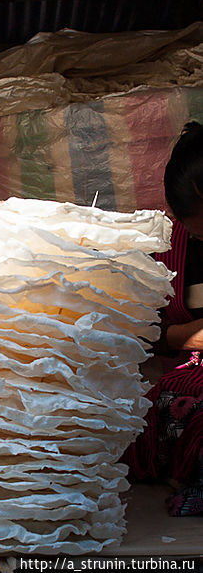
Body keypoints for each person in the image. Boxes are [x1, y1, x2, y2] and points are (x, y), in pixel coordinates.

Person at [123, 121, 203, 516]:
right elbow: (136, 331)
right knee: (155, 414)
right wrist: (183, 336)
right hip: (189, 369)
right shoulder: (165, 254)